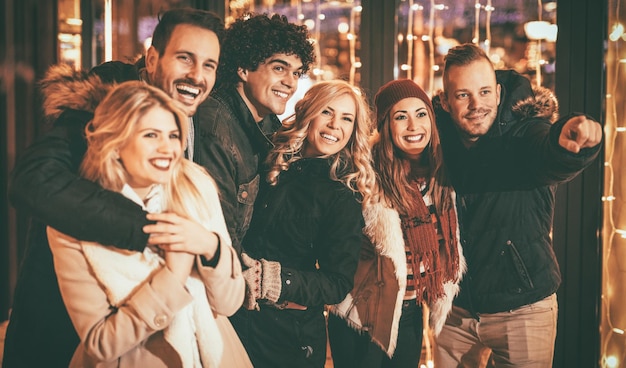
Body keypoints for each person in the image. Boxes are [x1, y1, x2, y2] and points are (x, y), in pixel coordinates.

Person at [4, 8, 224, 367]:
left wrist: (211, 250)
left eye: (209, 64)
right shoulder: (99, 110)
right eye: (185, 58)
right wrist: (152, 229)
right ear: (152, 59)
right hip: (68, 322)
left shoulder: (204, 116)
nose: (197, 75)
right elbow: (33, 181)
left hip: (167, 327)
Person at [47, 81, 250, 367]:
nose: (167, 148)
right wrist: (172, 276)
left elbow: (230, 304)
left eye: (173, 135)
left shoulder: (195, 185)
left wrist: (210, 246)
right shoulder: (73, 220)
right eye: (151, 135)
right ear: (115, 143)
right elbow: (99, 343)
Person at [432, 43, 603, 367]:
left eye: (484, 92)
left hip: (523, 309)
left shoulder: (524, 133)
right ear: (445, 101)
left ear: (498, 93)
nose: (476, 104)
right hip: (456, 311)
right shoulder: (438, 141)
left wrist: (571, 147)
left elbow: (548, 154)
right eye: (463, 95)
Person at [228, 80, 377, 368]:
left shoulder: (342, 195)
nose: (335, 125)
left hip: (290, 338)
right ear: (309, 112)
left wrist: (276, 279)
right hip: (237, 320)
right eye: (327, 112)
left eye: (347, 118)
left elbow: (337, 283)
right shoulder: (270, 158)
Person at [327, 79, 466, 368]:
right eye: (401, 117)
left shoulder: (442, 174)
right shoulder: (364, 173)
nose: (414, 126)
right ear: (386, 125)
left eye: (421, 114)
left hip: (412, 312)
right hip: (365, 310)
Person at [194, 13, 316, 254]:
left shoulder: (270, 125)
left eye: (296, 73)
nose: (290, 82)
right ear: (243, 68)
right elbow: (221, 238)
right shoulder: (216, 129)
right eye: (279, 68)